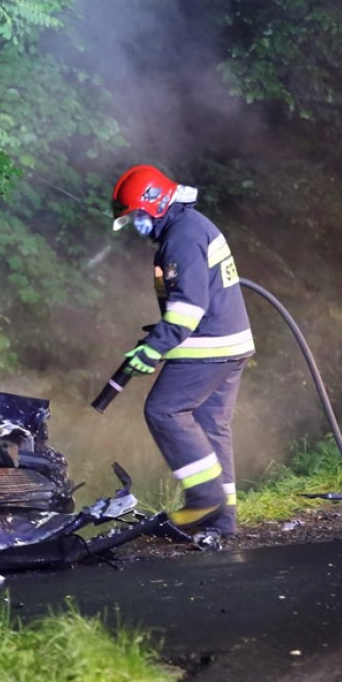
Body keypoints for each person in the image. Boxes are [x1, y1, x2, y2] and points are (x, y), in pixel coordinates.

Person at [111, 164, 254, 540]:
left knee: (164, 411)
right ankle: (222, 522)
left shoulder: (182, 236)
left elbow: (189, 305)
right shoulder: (190, 227)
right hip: (230, 344)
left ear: (156, 204)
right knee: (212, 427)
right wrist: (157, 335)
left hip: (209, 346)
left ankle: (205, 498)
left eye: (138, 216)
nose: (138, 226)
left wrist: (155, 348)